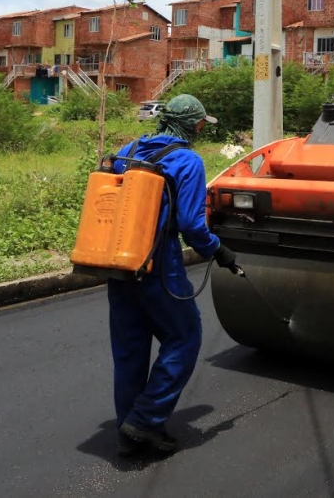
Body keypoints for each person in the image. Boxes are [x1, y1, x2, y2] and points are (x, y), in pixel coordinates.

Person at [107, 94, 239, 458]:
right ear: (191, 125)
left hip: (117, 261)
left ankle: (127, 431)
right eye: (200, 124)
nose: (200, 129)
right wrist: (219, 251)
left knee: (130, 350)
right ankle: (145, 420)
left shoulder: (127, 150)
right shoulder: (187, 160)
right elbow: (191, 225)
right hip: (158, 263)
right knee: (184, 338)